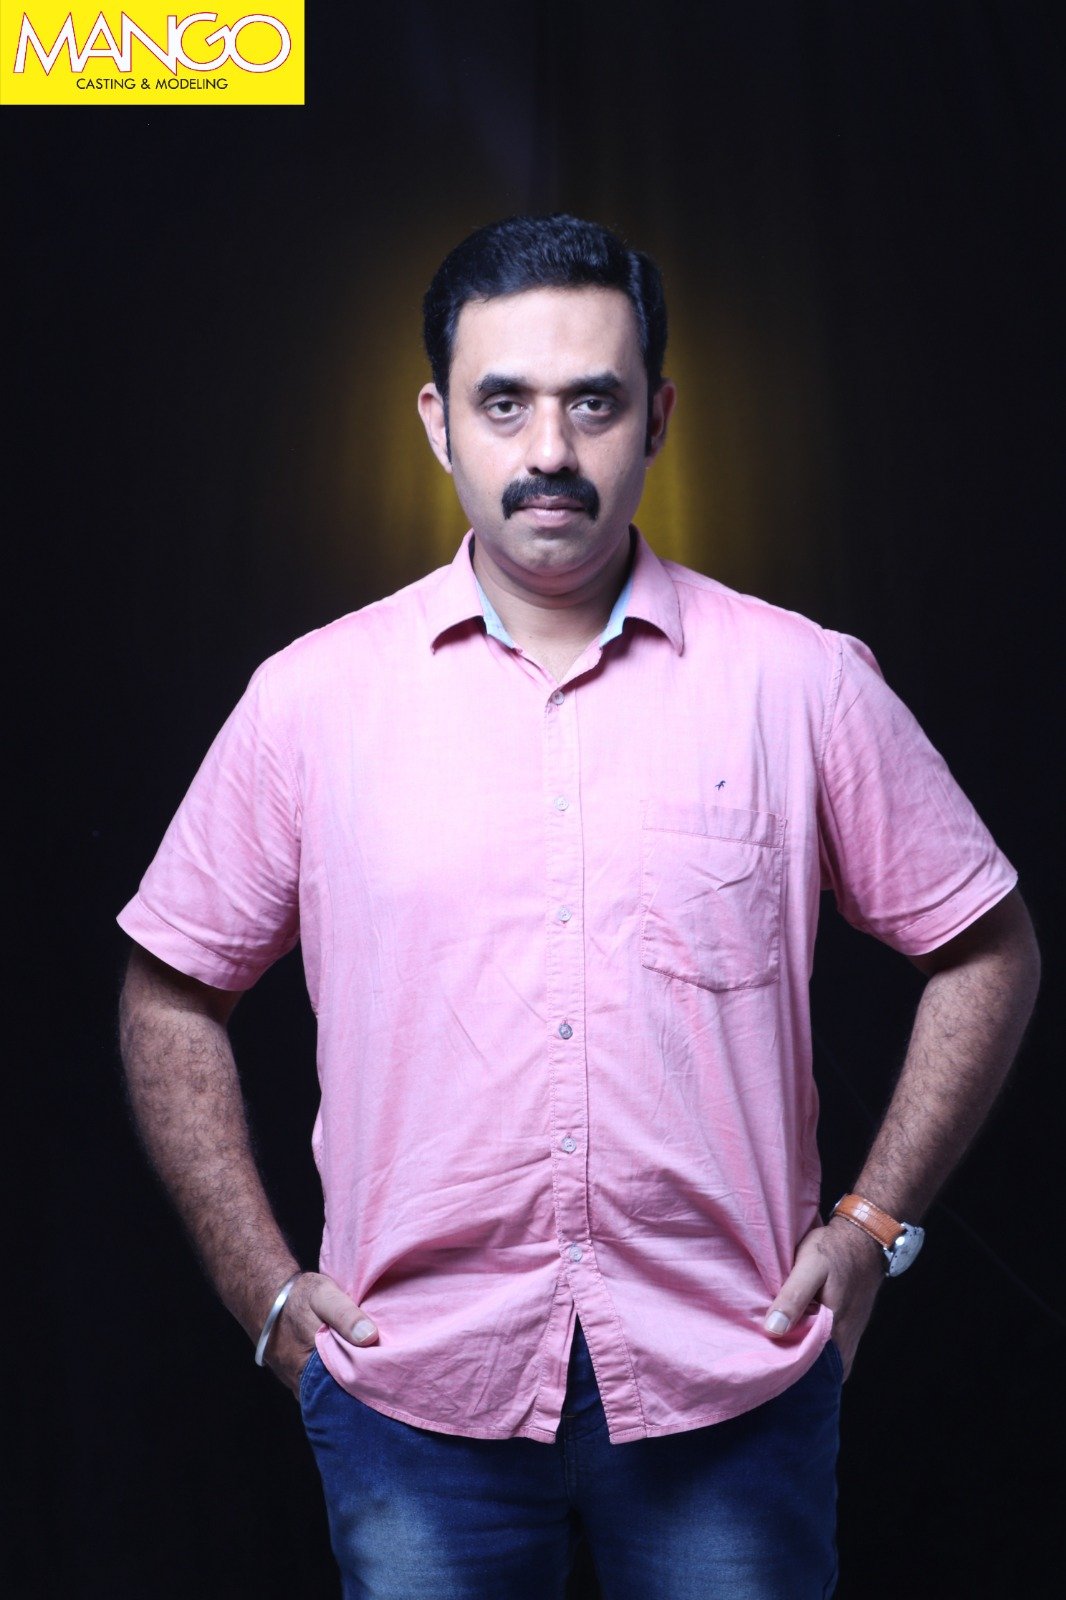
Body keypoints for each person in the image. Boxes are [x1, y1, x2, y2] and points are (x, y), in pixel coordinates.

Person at [118, 213, 1039, 1599]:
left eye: (592, 402)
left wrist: (870, 1225)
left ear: (656, 418)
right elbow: (170, 990)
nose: (548, 448)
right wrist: (265, 1292)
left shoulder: (800, 683)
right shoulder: (309, 702)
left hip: (732, 1388)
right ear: (436, 422)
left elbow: (985, 947)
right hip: (412, 1398)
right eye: (504, 402)